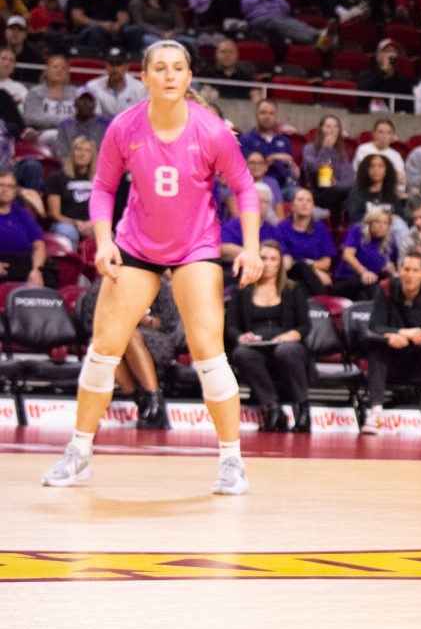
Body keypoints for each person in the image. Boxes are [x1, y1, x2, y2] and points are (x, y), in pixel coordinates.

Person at [41, 39, 263, 495]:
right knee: (103, 350)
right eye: (159, 68)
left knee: (208, 353)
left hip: (195, 247)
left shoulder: (211, 130)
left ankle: (232, 461)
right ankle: (79, 452)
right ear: (144, 77)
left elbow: (244, 188)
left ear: (187, 77)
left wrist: (252, 247)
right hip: (137, 245)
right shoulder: (124, 126)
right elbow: (102, 189)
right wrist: (103, 242)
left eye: (177, 68)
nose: (168, 75)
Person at [226, 239, 314, 433]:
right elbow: (231, 326)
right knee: (241, 353)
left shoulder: (293, 289)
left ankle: (302, 410)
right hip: (256, 345)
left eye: (273, 259)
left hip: (286, 343)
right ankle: (273, 409)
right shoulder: (242, 290)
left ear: (280, 263)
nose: (267, 263)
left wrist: (293, 334)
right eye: (263, 258)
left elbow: (305, 325)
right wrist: (241, 337)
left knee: (286, 351)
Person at [360, 251, 421, 436]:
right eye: (406, 269)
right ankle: (375, 413)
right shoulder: (385, 288)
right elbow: (374, 326)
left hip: (419, 358)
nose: (410, 274)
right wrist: (399, 334)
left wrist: (417, 339)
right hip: (392, 356)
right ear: (399, 271)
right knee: (377, 348)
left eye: (415, 270)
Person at [77, 272, 176, 430]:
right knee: (101, 342)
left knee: (128, 334)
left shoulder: (157, 283)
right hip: (115, 337)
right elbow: (90, 324)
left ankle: (154, 397)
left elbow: (169, 322)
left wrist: (148, 321)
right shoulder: (103, 285)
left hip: (153, 339)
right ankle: (143, 401)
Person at [277, 187, 336, 295]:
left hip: (308, 280)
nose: (304, 203)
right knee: (302, 266)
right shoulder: (281, 228)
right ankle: (322, 304)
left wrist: (311, 268)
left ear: (313, 206)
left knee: (302, 287)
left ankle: (317, 307)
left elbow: (326, 263)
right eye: (300, 200)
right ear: (292, 205)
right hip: (289, 274)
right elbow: (285, 263)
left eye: (308, 200)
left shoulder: (321, 228)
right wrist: (313, 269)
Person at [332, 204, 398, 301]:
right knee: (370, 282)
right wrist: (364, 272)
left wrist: (389, 270)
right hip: (346, 280)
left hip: (371, 283)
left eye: (385, 223)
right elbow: (347, 255)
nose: (381, 226)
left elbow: (390, 266)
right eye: (377, 221)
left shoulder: (390, 242)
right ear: (369, 223)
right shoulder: (357, 230)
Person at [129, 0, 199, 60]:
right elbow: (140, 24)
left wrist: (172, 34)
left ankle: (194, 69)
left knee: (192, 42)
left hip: (171, 35)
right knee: (161, 44)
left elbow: (180, 26)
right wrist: (161, 34)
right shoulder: (137, 3)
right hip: (148, 34)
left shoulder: (171, 5)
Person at [238, 99, 299, 200]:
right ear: (256, 115)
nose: (267, 117)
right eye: (263, 113)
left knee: (301, 194)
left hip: (283, 188)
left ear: (276, 117)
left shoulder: (284, 141)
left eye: (271, 113)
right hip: (256, 186)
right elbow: (241, 168)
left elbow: (294, 170)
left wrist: (294, 168)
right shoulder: (245, 139)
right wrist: (270, 159)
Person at [45, 135, 97, 249]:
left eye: (87, 150)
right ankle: (70, 266)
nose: (82, 154)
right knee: (68, 233)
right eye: (78, 149)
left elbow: (104, 208)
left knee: (108, 234)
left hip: (91, 223)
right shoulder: (57, 177)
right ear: (72, 152)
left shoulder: (99, 179)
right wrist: (76, 222)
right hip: (65, 223)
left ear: (92, 156)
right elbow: (55, 214)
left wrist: (93, 223)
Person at [0, 169, 46, 287]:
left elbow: (39, 245)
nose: (5, 189)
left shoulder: (22, 213)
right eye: (1, 185)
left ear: (15, 191)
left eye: (10, 186)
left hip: (23, 265)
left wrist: (37, 270)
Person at [301, 114, 354, 214]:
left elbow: (348, 179)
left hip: (337, 191)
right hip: (319, 192)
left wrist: (335, 183)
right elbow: (314, 169)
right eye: (328, 126)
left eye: (335, 127)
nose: (332, 130)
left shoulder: (341, 153)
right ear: (321, 129)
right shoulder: (309, 149)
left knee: (354, 192)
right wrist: (326, 148)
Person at [22, 53, 76, 144]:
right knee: (55, 135)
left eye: (63, 68)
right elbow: (31, 117)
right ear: (47, 71)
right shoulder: (36, 92)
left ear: (67, 73)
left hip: (72, 132)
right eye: (55, 67)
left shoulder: (76, 92)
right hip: (43, 133)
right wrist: (61, 121)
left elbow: (81, 116)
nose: (59, 70)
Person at [345, 152, 407, 225]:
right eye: (372, 166)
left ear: (386, 171)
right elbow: (354, 218)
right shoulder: (357, 193)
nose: (376, 170)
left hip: (390, 232)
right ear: (366, 170)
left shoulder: (392, 195)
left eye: (380, 166)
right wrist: (377, 219)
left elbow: (400, 217)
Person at [83, 47, 148, 117]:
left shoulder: (140, 88)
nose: (115, 68)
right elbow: (95, 118)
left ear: (126, 67)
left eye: (119, 64)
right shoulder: (93, 86)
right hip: (104, 127)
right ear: (106, 66)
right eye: (111, 64)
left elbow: (143, 117)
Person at [356, 39, 413, 113]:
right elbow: (360, 97)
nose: (390, 55)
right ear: (378, 56)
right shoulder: (367, 76)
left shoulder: (404, 83)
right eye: (386, 51)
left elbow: (410, 110)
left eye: (393, 52)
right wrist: (382, 72)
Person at [52, 90, 110, 161]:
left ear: (94, 104)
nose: (85, 103)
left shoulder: (106, 123)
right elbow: (62, 153)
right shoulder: (65, 124)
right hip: (72, 168)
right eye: (82, 99)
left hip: (100, 168)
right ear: (75, 103)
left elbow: (110, 152)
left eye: (89, 100)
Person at [224, 151, 282, 219]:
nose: (256, 166)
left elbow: (280, 216)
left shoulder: (272, 183)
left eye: (260, 163)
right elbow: (236, 216)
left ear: (266, 167)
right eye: (251, 163)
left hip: (267, 225)